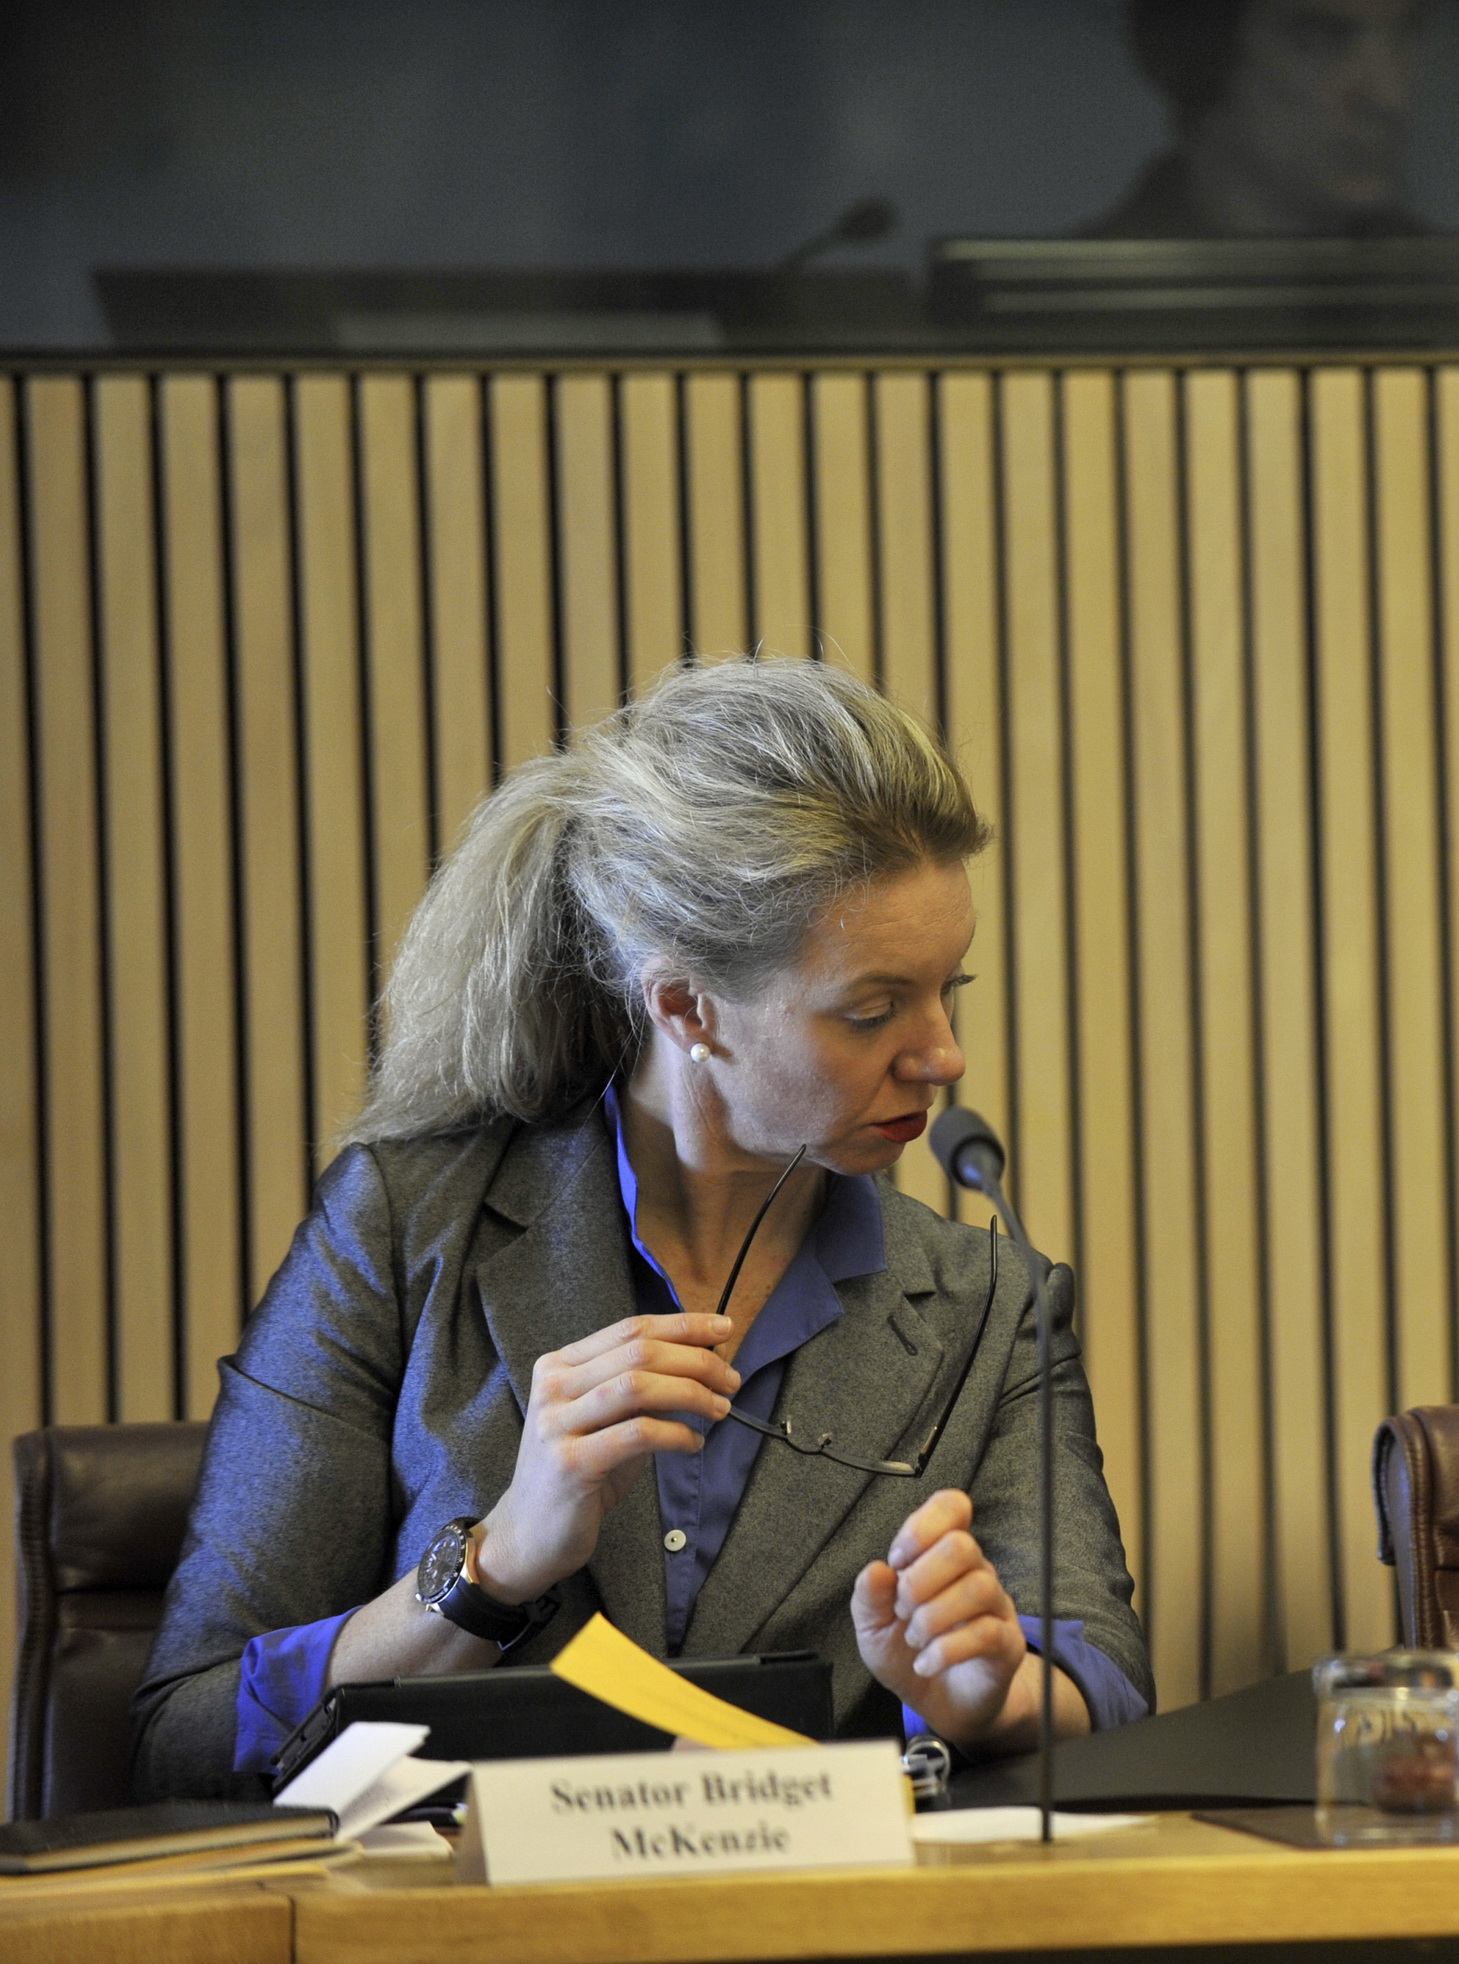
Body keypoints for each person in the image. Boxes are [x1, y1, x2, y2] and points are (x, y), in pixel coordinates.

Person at [133, 657, 1149, 1799]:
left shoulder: (989, 1302)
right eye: (872, 1008)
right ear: (683, 1006)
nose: (943, 1054)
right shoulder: (399, 1230)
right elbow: (187, 1731)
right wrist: (497, 1559)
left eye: (946, 989)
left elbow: (1101, 1668)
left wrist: (992, 1689)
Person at [1082, 0, 1421, 239]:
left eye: (1408, 33)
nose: (1391, 97)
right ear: (1199, 49)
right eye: (1320, 38)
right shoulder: (1076, 308)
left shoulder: (1446, 289)